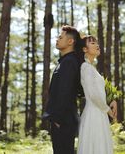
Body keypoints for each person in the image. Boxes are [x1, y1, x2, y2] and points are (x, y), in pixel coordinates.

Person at [42, 25, 83, 154]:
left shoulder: (69, 62)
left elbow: (66, 91)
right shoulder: (65, 61)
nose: (57, 39)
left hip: (63, 120)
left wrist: (58, 119)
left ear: (70, 41)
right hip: (62, 119)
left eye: (61, 37)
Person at [77, 35, 117, 154]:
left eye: (97, 42)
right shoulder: (85, 67)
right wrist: (108, 110)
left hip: (99, 112)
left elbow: (100, 92)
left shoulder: (91, 68)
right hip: (94, 113)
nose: (97, 45)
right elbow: (93, 95)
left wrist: (112, 100)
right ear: (85, 49)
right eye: (92, 43)